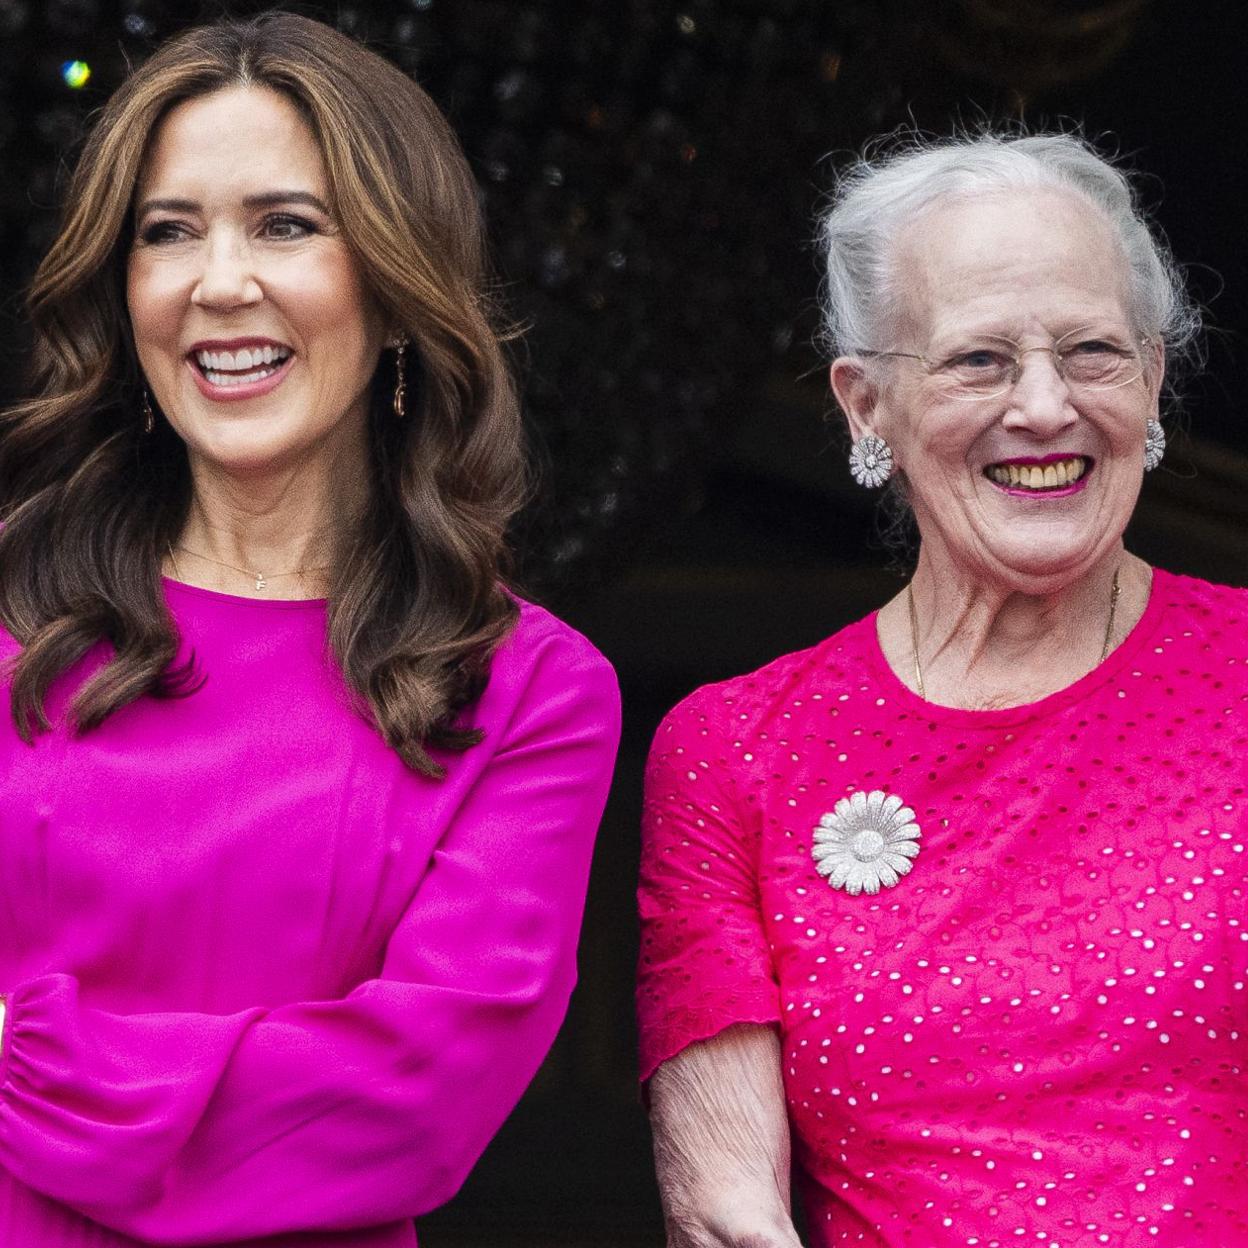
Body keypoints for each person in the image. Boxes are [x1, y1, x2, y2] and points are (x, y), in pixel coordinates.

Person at [0, 12, 619, 1247]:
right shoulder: (11, 618)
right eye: (167, 232)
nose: (218, 282)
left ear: (396, 288)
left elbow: (415, 1104)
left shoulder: (530, 688)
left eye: (286, 224)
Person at [637, 129, 1248, 1247]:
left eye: (1093, 352)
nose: (1045, 407)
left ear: (1155, 378)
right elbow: (728, 1212)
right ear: (866, 404)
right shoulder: (734, 748)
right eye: (979, 361)